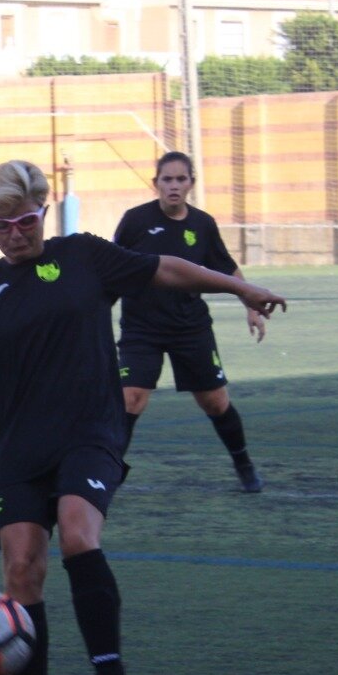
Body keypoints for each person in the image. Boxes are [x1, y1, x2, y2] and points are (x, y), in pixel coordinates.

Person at [0, 160, 285, 675]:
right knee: (21, 567)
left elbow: (164, 268)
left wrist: (240, 287)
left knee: (78, 533)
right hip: (17, 447)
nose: (16, 234)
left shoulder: (84, 256)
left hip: (90, 430)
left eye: (26, 221)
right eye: (2, 225)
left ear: (44, 211)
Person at [115, 151, 267, 492]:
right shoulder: (135, 221)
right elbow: (111, 267)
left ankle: (244, 464)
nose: (174, 186)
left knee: (215, 402)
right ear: (155, 184)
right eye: (167, 179)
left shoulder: (202, 224)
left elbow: (226, 268)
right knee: (130, 399)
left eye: (180, 179)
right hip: (142, 328)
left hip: (190, 327)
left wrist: (251, 304)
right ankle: (106, 475)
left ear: (191, 184)